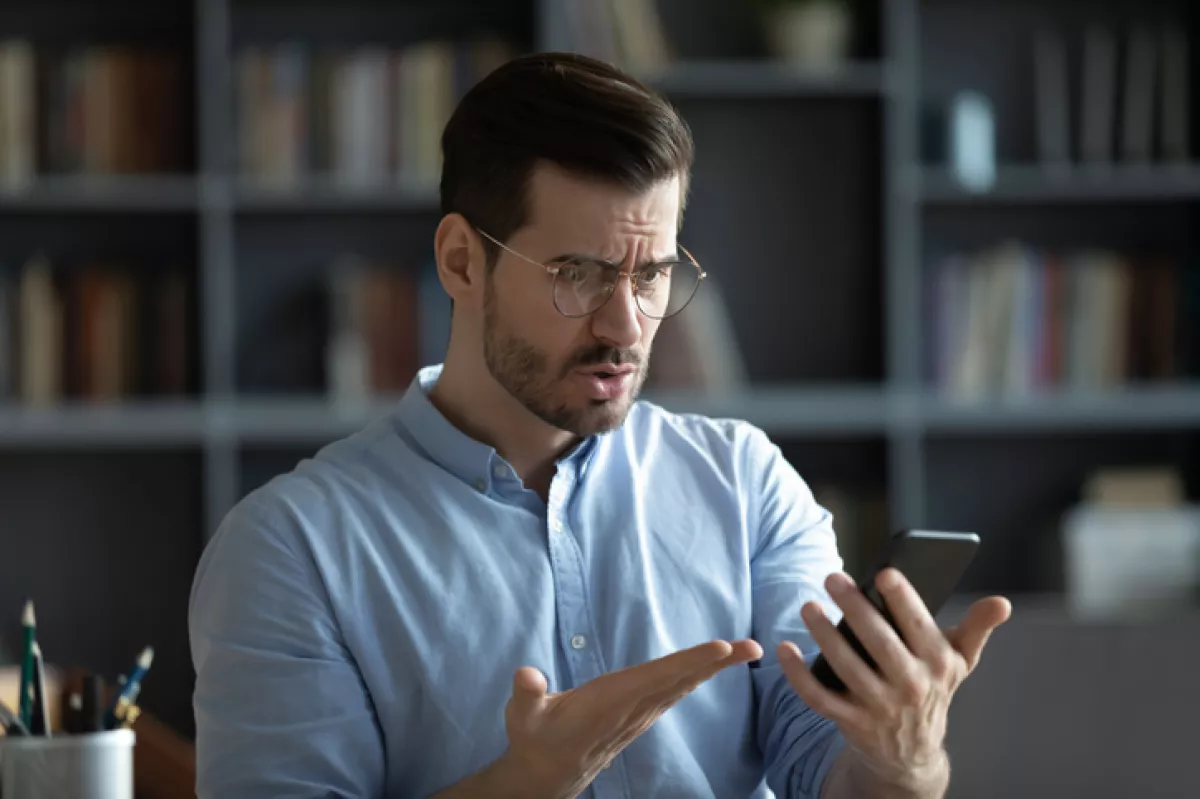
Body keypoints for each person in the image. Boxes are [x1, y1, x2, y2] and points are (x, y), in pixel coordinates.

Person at [189, 51, 1011, 798]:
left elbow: (829, 777)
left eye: (651, 274)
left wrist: (903, 757)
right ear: (461, 261)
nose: (626, 326)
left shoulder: (746, 484)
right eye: (578, 275)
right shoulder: (289, 548)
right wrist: (522, 785)